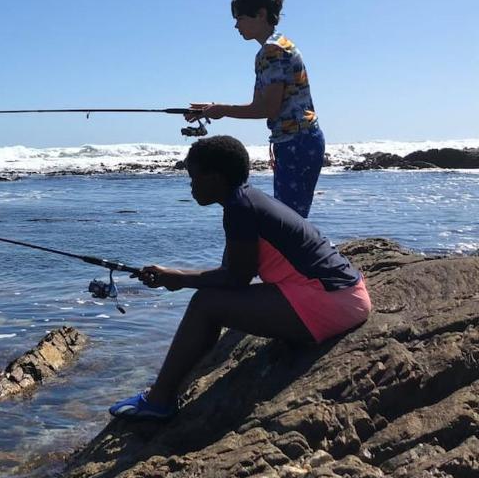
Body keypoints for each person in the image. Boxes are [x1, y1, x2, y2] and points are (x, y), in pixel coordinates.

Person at [109, 135, 371, 421]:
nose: (191, 185)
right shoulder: (247, 199)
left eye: (194, 177)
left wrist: (179, 278)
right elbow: (233, 271)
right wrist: (174, 276)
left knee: (205, 305)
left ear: (216, 179)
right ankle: (168, 390)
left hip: (332, 302)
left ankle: (158, 401)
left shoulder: (239, 208)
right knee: (210, 300)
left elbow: (235, 280)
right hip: (346, 294)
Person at [186, 0, 324, 217]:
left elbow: (267, 109)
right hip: (300, 139)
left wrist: (223, 110)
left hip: (296, 142)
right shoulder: (279, 45)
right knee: (293, 217)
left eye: (240, 18)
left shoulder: (271, 51)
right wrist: (214, 108)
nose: (236, 26)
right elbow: (260, 106)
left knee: (290, 220)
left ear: (260, 15)